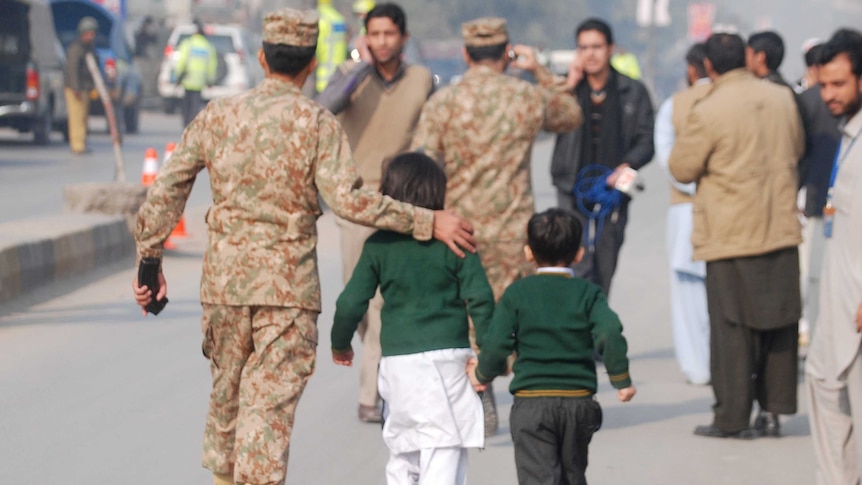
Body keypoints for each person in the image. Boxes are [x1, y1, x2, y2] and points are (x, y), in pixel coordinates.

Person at [131, 9, 475, 485]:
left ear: (261, 57)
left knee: (227, 407)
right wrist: (425, 219)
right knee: (266, 420)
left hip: (225, 290)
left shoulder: (218, 115)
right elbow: (350, 202)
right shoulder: (315, 122)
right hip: (288, 295)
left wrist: (150, 261)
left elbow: (167, 188)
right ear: (311, 64)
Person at [410, 16, 582, 436]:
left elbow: (422, 162)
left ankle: (477, 387)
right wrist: (539, 70)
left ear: (467, 54)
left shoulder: (444, 103)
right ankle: (529, 397)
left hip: (460, 230)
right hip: (514, 230)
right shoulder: (526, 96)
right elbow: (570, 114)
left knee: (471, 316)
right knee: (520, 315)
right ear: (507, 54)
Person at [668, 32, 804, 440]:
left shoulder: (707, 108)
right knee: (780, 324)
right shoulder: (781, 97)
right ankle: (775, 411)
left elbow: (682, 168)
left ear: (708, 66)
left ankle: (732, 417)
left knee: (731, 330)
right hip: (778, 226)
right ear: (746, 57)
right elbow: (797, 146)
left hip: (729, 234)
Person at [332, 152, 494, 485]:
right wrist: (489, 360)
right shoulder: (455, 241)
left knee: (403, 447)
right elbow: (481, 301)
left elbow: (351, 301)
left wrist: (340, 343)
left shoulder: (379, 245)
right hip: (447, 360)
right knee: (444, 447)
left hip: (397, 365)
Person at [316, 2, 434, 424]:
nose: (383, 42)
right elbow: (322, 108)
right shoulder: (350, 78)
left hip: (401, 201)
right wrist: (360, 69)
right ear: (365, 38)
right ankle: (377, 363)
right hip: (354, 202)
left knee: (384, 301)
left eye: (389, 34)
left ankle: (371, 395)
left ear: (403, 37)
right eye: (375, 34)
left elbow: (431, 136)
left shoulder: (423, 80)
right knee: (358, 298)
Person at [468, 207, 636, 485]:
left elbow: (497, 343)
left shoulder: (517, 294)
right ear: (579, 253)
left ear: (528, 253)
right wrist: (622, 380)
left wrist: (481, 375)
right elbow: (609, 332)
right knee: (572, 476)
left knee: (538, 478)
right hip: (579, 403)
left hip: (531, 405)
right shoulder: (589, 293)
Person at [549, 17, 655, 297]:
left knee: (605, 261)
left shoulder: (633, 91)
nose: (590, 54)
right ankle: (579, 327)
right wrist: (568, 87)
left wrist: (626, 165)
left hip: (613, 190)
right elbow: (546, 119)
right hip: (572, 186)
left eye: (596, 46)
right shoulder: (569, 89)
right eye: (583, 48)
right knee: (577, 259)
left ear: (611, 49)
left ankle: (597, 320)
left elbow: (647, 139)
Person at [805, 28, 862, 485]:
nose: (828, 95)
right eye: (823, 84)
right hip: (837, 301)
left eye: (839, 84)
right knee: (824, 386)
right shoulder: (847, 135)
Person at [653, 42, 711, 386]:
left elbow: (669, 161)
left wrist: (694, 186)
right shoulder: (731, 103)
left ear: (692, 70)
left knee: (688, 294)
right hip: (726, 208)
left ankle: (697, 366)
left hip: (685, 209)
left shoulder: (674, 106)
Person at [797, 41, 841, 346]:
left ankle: (813, 334)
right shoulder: (812, 101)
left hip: (815, 200)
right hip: (819, 202)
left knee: (813, 274)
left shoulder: (808, 100)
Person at [64, 16, 98, 155]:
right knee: (76, 116)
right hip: (75, 88)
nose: (92, 36)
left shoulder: (88, 48)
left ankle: (82, 142)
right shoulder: (76, 48)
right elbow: (72, 69)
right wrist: (76, 88)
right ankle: (77, 144)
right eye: (90, 33)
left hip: (85, 88)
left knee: (83, 116)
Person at [174, 20, 217, 128]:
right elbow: (212, 65)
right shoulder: (208, 46)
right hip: (200, 81)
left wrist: (178, 76)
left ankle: (186, 125)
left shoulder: (188, 44)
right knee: (195, 106)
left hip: (187, 80)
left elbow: (181, 62)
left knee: (186, 106)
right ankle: (192, 126)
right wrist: (210, 80)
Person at [316, 0, 348, 92]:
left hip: (324, 76)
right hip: (341, 71)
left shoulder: (321, 20)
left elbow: (317, 46)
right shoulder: (338, 18)